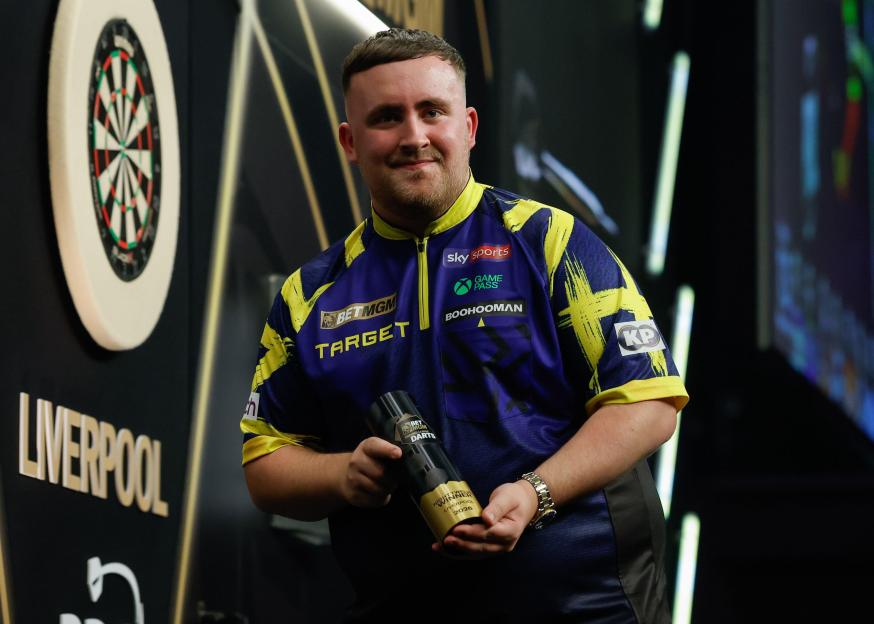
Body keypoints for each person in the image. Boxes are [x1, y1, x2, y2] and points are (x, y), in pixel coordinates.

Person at [241, 28, 689, 623]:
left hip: (586, 605)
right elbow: (266, 460)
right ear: (350, 141)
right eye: (386, 117)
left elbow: (648, 402)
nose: (414, 136)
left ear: (469, 127)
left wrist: (535, 493)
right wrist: (342, 474)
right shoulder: (310, 294)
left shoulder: (548, 241)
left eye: (432, 111)